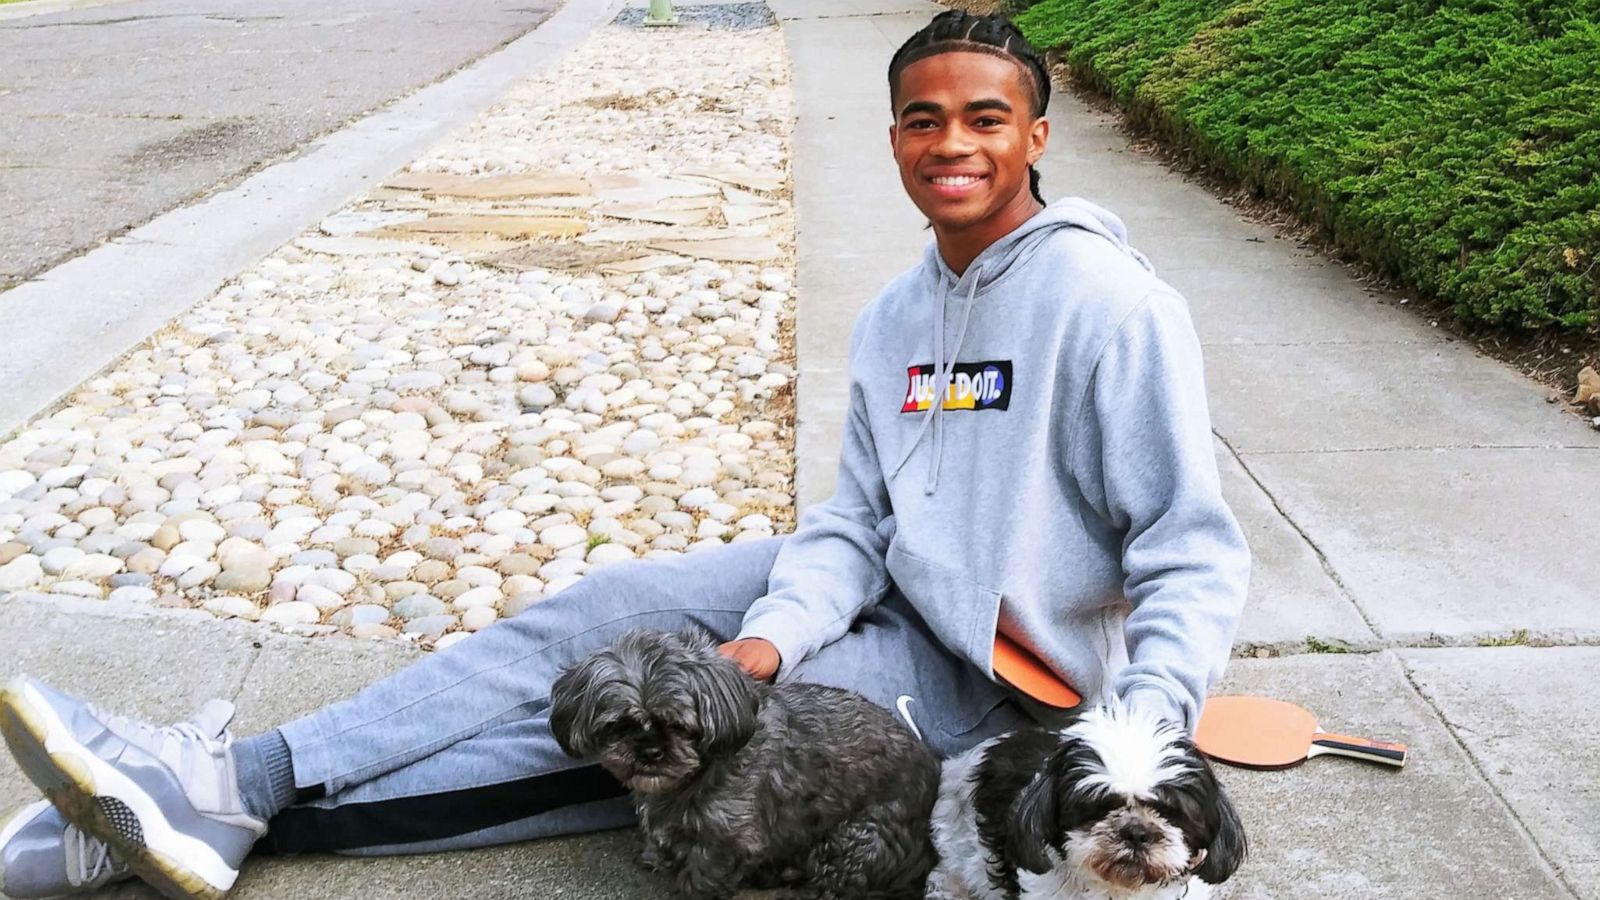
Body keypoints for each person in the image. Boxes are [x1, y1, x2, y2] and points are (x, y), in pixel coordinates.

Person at [0, 11, 1249, 899]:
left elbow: (1186, 550)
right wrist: (772, 632)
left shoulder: (1107, 306)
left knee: (678, 756)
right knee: (605, 614)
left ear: (1037, 135)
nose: (952, 144)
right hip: (882, 583)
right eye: (923, 120)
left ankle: (230, 823)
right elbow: (854, 518)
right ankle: (244, 771)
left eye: (987, 117)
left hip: (991, 672)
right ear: (891, 140)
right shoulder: (894, 315)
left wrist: (1141, 736)